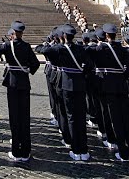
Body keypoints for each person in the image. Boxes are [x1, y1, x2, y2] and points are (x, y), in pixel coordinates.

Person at [85, 23, 129, 162]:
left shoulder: (100, 49)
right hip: (121, 87)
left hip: (107, 88)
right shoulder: (122, 49)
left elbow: (84, 52)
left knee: (115, 119)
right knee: (125, 120)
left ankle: (122, 151)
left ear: (105, 35)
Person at [37, 24, 92, 161]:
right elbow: (90, 66)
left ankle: (75, 148)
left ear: (63, 36)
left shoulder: (59, 49)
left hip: (66, 85)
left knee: (71, 117)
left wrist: (48, 43)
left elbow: (42, 49)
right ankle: (84, 150)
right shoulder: (80, 49)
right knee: (81, 117)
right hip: (79, 85)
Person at [0, 20, 41, 162]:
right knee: (25, 117)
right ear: (22, 33)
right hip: (24, 83)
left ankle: (15, 151)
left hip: (12, 84)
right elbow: (36, 64)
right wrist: (27, 70)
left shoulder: (8, 45)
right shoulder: (26, 46)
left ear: (13, 32)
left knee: (14, 116)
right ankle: (25, 151)